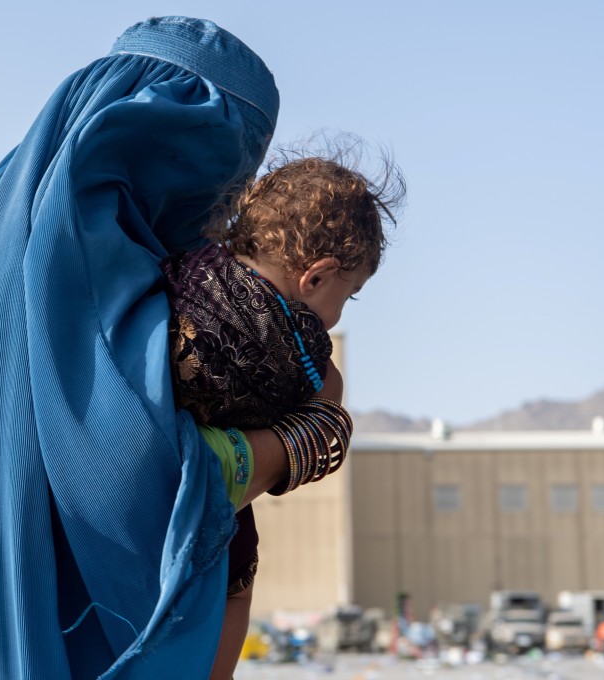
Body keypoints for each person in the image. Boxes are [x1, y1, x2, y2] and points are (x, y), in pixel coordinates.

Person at [0, 16, 289, 679]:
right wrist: (304, 441)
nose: (219, 220)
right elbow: (140, 487)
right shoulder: (91, 279)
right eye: (219, 184)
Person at [162, 149, 405, 679]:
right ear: (317, 277)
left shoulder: (185, 269)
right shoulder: (298, 342)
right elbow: (320, 394)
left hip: (157, 439)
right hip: (213, 484)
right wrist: (329, 403)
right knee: (238, 576)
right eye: (351, 293)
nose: (339, 312)